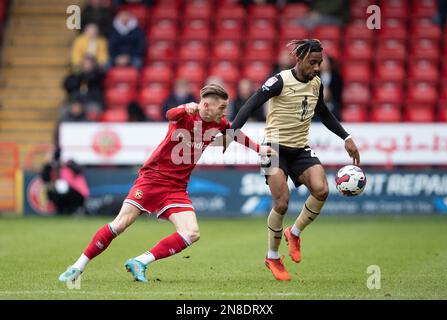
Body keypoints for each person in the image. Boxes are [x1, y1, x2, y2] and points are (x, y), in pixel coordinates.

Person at [58, 84, 272, 283]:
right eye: (222, 107)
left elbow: (235, 134)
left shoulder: (218, 123)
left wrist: (258, 149)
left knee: (192, 233)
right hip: (153, 179)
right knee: (120, 224)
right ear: (206, 105)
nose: (226, 111)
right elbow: (169, 114)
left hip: (177, 188)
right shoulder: (186, 114)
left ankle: (140, 261)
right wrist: (185, 108)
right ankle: (77, 267)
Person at [228, 39, 360, 281]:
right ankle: (273, 257)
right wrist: (232, 131)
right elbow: (251, 103)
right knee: (282, 204)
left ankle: (295, 232)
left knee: (322, 190)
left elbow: (324, 113)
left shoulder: (316, 83)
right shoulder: (279, 81)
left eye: (320, 63)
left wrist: (346, 136)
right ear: (298, 60)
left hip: (300, 149)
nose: (317, 67)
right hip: (273, 148)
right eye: (312, 62)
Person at [41, 149, 90, 215]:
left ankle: (75, 209)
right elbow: (45, 178)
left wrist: (67, 163)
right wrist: (49, 164)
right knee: (52, 189)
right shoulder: (54, 168)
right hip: (64, 194)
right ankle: (61, 211)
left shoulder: (70, 164)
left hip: (78, 193)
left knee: (62, 186)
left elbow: (79, 170)